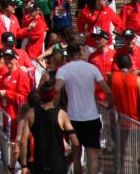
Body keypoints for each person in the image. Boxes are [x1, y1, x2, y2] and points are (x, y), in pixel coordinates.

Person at [54, 41, 112, 174]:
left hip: (73, 118)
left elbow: (56, 90)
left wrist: (54, 107)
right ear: (80, 53)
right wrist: (111, 105)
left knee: (76, 155)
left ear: (67, 55)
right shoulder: (91, 68)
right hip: (91, 117)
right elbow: (107, 90)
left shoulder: (64, 70)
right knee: (92, 154)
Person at [18, 80, 79, 174]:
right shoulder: (61, 115)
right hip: (57, 163)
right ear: (55, 96)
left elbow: (23, 141)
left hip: (39, 163)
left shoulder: (31, 114)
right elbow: (75, 143)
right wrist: (72, 158)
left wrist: (24, 165)